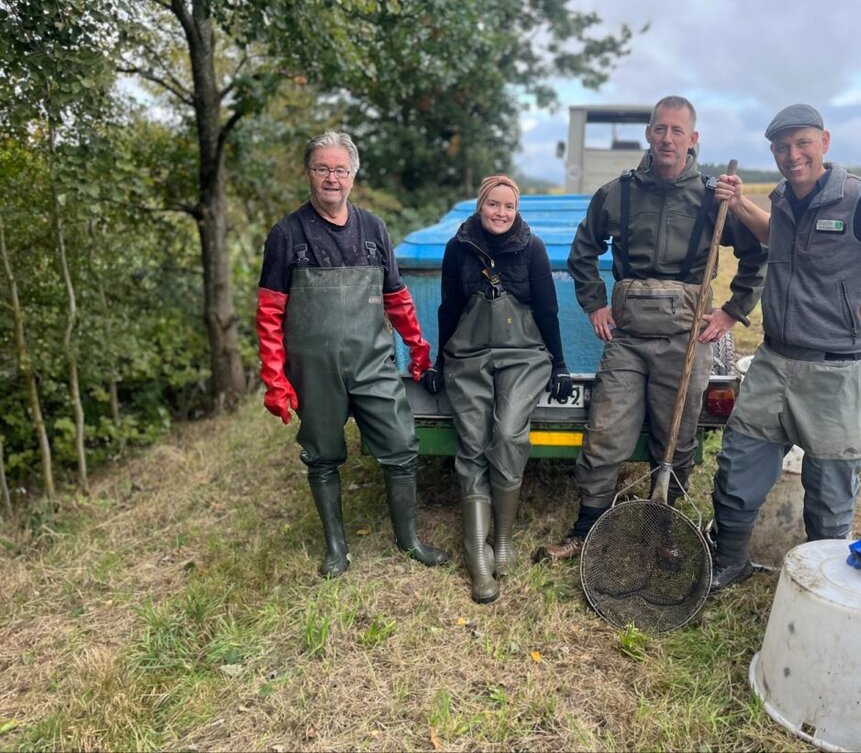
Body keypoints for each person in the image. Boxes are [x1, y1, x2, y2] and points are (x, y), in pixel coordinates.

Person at [708, 103, 861, 592]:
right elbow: (776, 237)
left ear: (824, 142)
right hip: (775, 361)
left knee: (829, 493)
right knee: (738, 468)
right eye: (782, 147)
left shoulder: (860, 200)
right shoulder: (783, 198)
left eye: (802, 143)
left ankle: (824, 587)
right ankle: (731, 560)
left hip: (838, 371)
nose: (792, 154)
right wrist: (739, 204)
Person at [535, 95, 768, 562]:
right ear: (648, 133)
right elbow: (584, 252)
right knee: (605, 433)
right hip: (627, 339)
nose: (667, 138)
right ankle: (587, 527)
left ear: (693, 139)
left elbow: (757, 254)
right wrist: (595, 305)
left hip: (685, 341)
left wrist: (729, 313)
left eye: (677, 131)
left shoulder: (712, 197)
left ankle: (664, 528)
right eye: (660, 129)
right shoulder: (617, 193)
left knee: (677, 438)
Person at [256, 131, 448, 578]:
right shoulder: (286, 234)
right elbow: (269, 312)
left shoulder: (374, 229)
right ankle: (336, 548)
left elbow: (397, 296)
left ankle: (409, 539)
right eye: (322, 168)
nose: (331, 178)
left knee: (401, 446)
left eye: (340, 170)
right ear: (309, 173)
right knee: (322, 455)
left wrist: (417, 347)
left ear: (353, 176)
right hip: (314, 370)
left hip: (372, 361)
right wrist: (275, 379)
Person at [421, 175, 570, 602]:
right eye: (493, 204)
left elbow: (547, 309)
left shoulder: (532, 247)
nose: (501, 213)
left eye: (509, 206)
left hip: (523, 356)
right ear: (480, 205)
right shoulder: (458, 248)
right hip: (467, 357)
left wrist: (558, 363)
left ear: (516, 209)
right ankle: (477, 557)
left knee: (506, 434)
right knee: (472, 442)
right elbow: (449, 307)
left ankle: (501, 539)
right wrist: (439, 360)